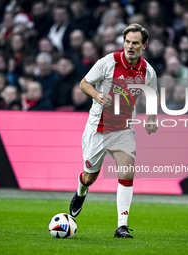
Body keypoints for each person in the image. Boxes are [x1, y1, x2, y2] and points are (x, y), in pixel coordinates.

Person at [69, 23, 158, 238]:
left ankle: (122, 226)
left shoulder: (148, 72)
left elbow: (152, 95)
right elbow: (84, 83)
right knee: (90, 177)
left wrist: (152, 118)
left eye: (135, 43)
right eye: (127, 42)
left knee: (127, 171)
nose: (130, 46)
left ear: (143, 46)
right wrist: (98, 95)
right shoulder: (108, 62)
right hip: (98, 128)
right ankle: (81, 191)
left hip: (123, 129)